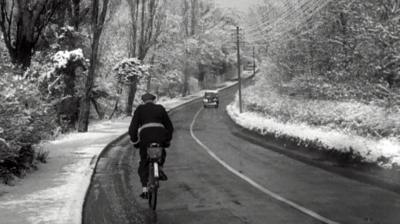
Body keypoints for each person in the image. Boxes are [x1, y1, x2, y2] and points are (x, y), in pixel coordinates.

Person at [129, 92, 174, 199]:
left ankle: (144, 189)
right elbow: (170, 127)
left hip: (145, 137)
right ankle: (160, 169)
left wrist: (135, 141)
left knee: (144, 161)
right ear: (154, 100)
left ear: (143, 101)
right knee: (162, 152)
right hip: (160, 135)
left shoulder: (140, 109)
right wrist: (167, 140)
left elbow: (133, 128)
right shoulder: (160, 108)